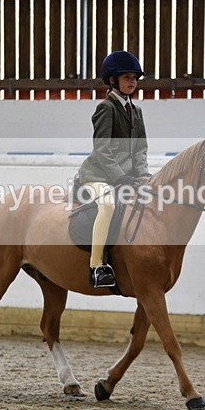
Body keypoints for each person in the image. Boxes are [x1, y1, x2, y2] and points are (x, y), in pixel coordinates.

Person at [77, 51, 151, 288]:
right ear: (112, 80)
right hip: (98, 175)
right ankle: (97, 266)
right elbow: (102, 149)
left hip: (127, 177)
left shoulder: (136, 112)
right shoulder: (105, 108)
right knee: (108, 205)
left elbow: (140, 149)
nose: (132, 82)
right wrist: (121, 178)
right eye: (127, 77)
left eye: (135, 78)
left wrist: (142, 176)